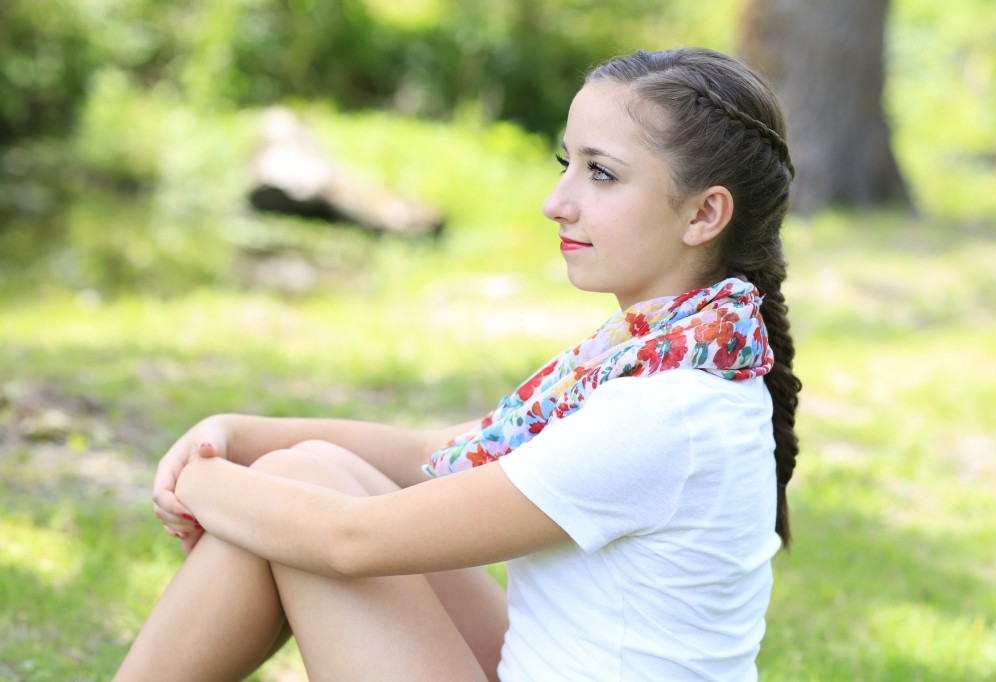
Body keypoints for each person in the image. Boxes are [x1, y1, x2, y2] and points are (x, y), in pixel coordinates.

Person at [116, 46, 801, 681]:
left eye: (600, 172)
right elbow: (440, 452)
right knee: (298, 472)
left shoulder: (663, 411)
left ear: (704, 214)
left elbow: (350, 542)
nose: (556, 202)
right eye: (565, 164)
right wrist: (235, 433)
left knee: (292, 507)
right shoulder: (667, 358)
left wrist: (200, 482)